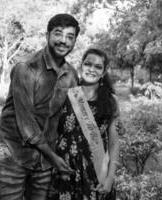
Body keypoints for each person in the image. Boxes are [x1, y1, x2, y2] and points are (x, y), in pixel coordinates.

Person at [0, 13, 80, 200]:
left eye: (70, 37)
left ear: (75, 41)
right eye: (58, 34)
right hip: (15, 154)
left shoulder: (72, 75)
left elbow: (73, 117)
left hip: (46, 161)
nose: (63, 41)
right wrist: (55, 158)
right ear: (47, 35)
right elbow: (27, 126)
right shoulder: (26, 68)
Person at [50, 48, 119, 200]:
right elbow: (51, 131)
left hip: (95, 172)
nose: (92, 69)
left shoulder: (110, 101)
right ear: (81, 65)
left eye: (98, 67)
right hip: (65, 170)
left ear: (103, 71)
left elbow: (114, 143)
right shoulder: (67, 94)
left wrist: (110, 178)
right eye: (88, 64)